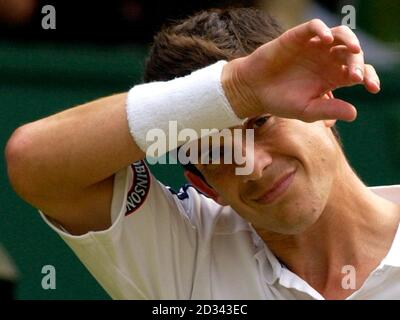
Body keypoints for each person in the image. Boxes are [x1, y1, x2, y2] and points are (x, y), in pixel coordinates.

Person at [5, 8, 400, 300]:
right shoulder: (189, 251)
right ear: (203, 184)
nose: (253, 166)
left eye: (260, 122)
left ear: (322, 101)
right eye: (215, 152)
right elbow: (31, 159)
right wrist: (235, 89)